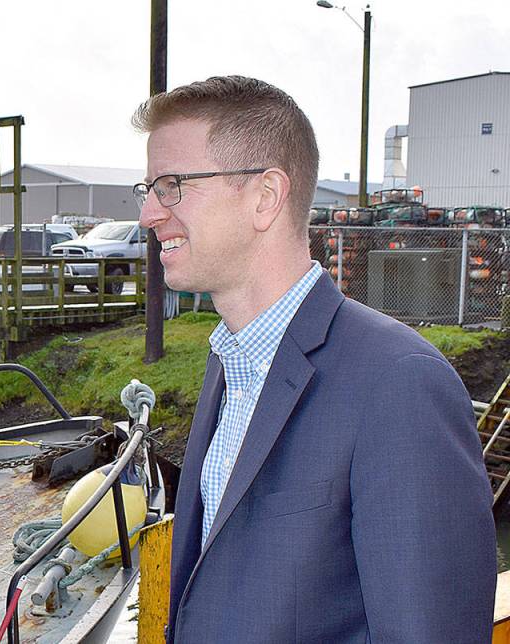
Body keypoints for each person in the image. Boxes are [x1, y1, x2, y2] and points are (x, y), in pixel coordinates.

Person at [133, 76, 496, 642]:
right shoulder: (228, 364)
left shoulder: (400, 385)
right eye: (148, 188)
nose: (148, 213)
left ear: (265, 197)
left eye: (172, 185)